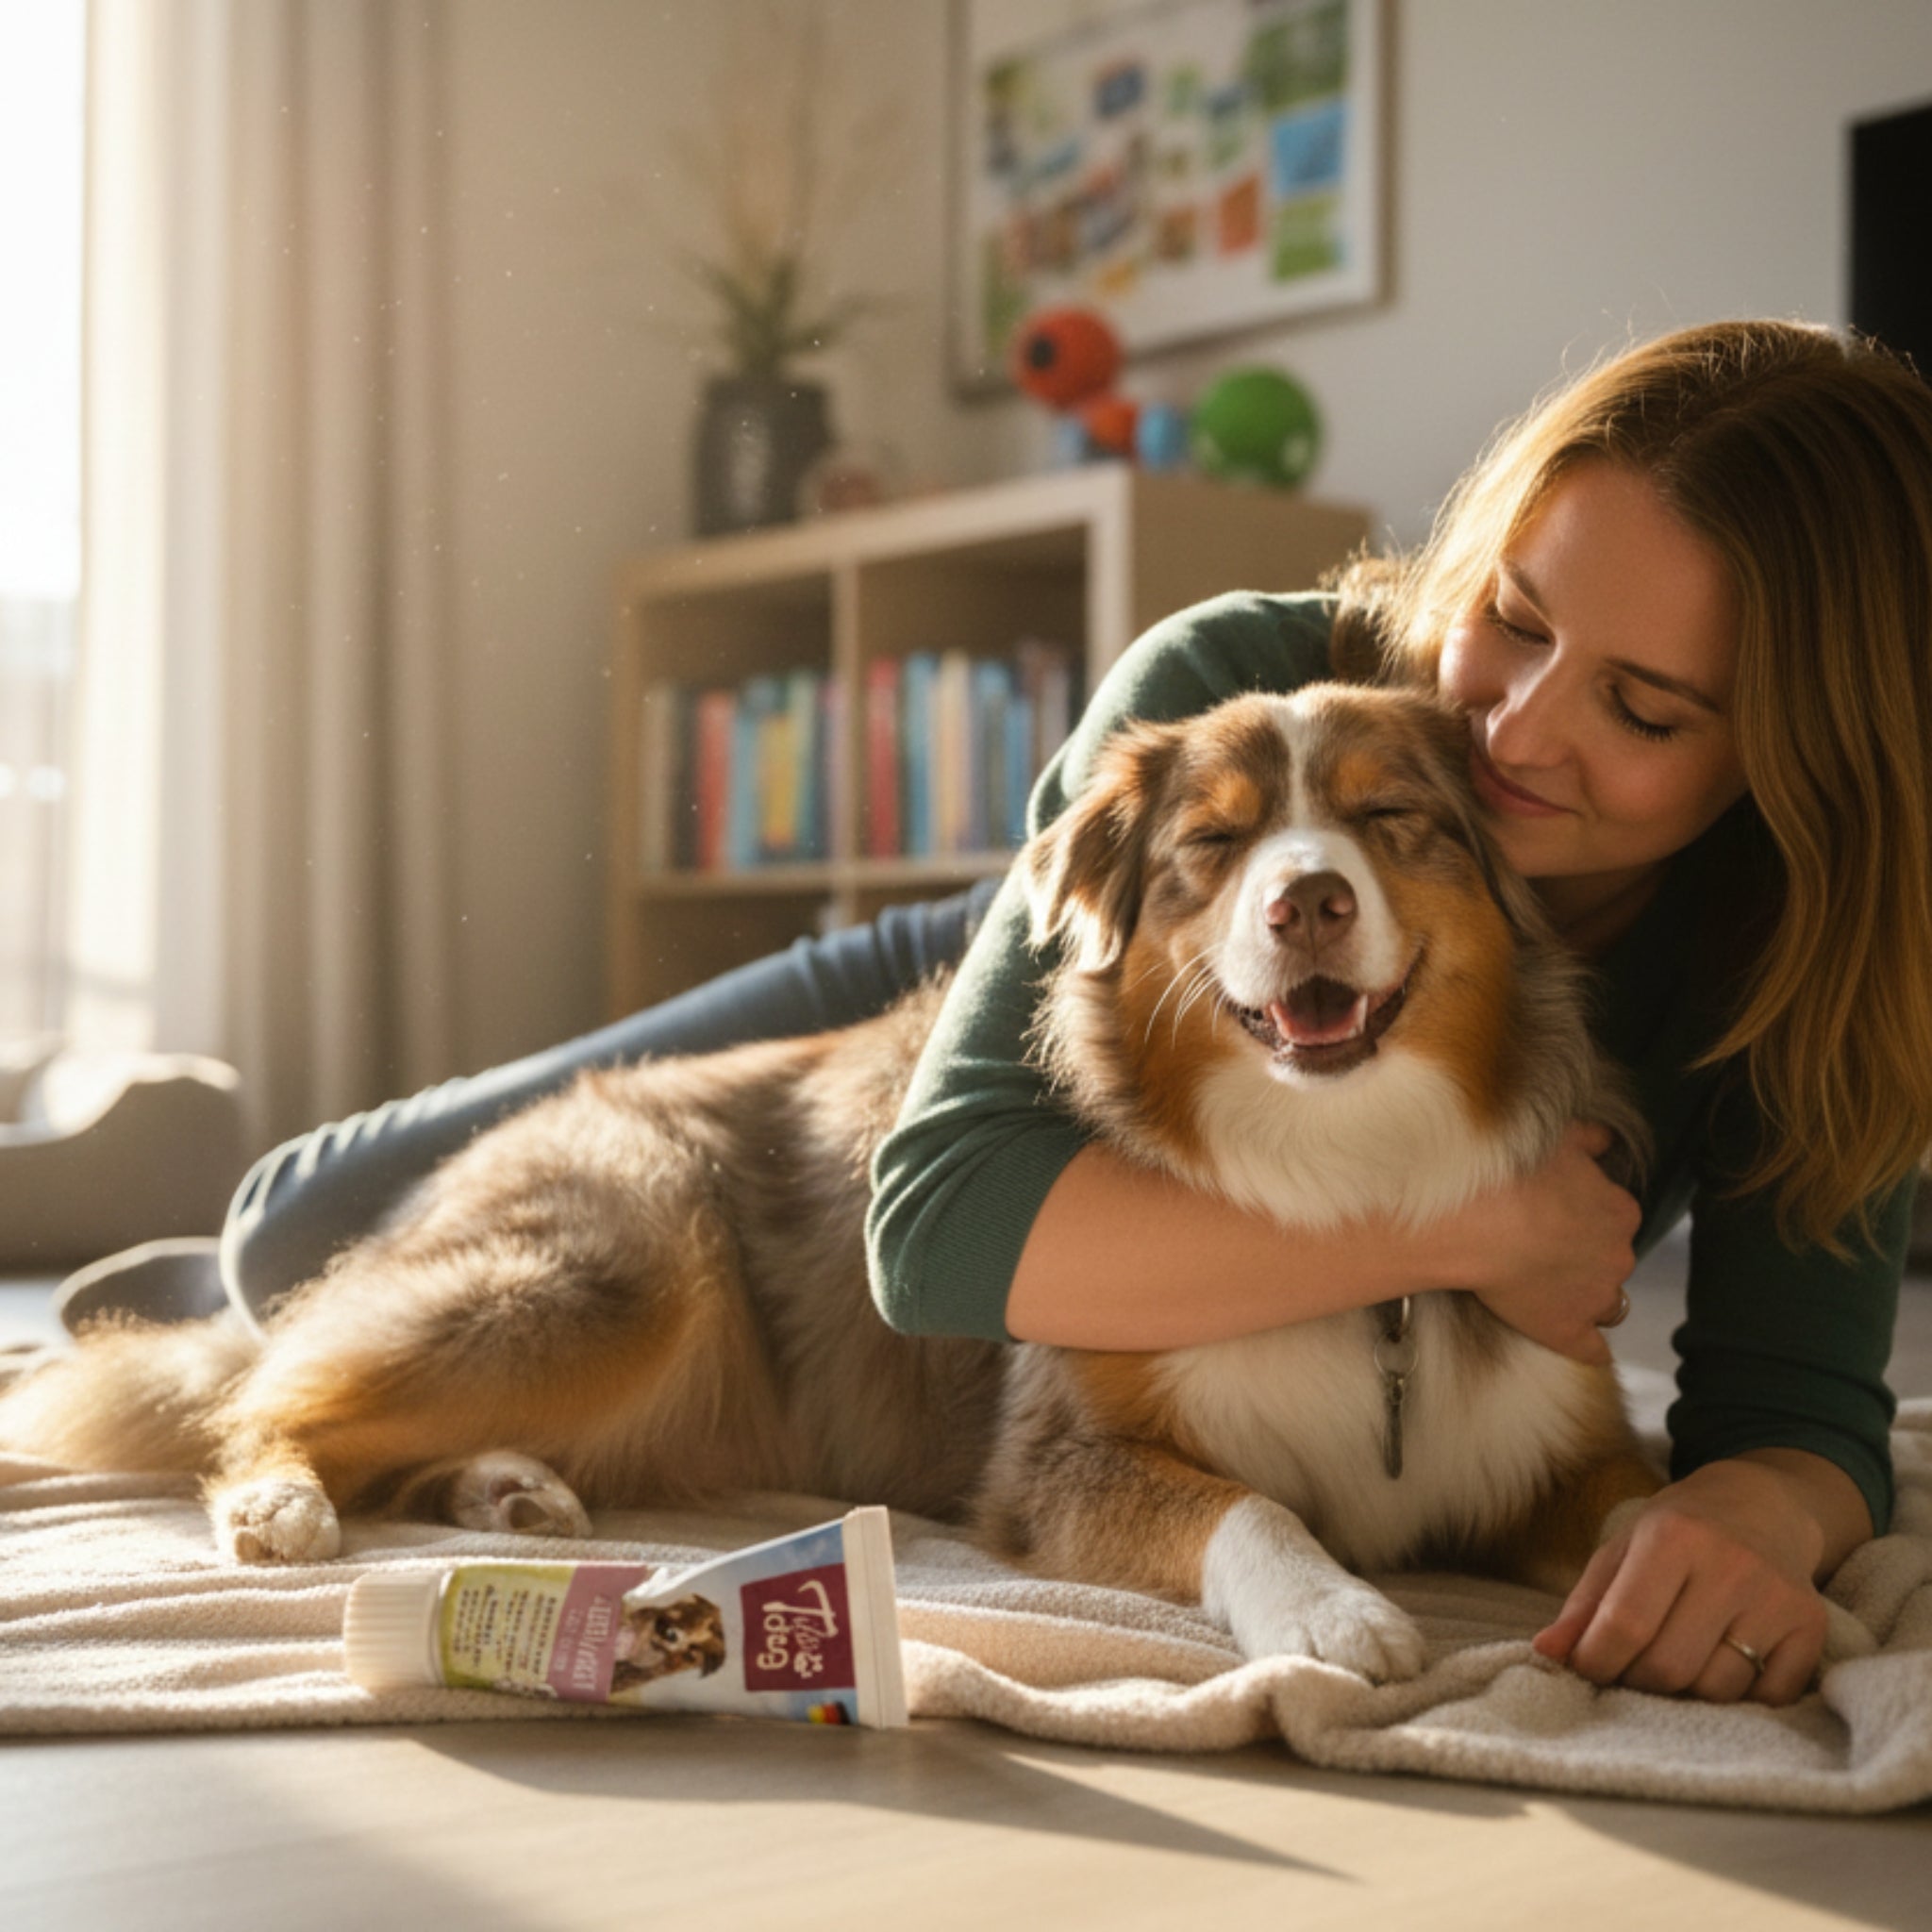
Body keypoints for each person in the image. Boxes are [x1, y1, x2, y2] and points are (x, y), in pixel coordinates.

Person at [60, 318, 1932, 1710]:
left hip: (1284, 1053)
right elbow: (942, 1226)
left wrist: (1758, 1519)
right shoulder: (1249, 677)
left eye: (1645, 709)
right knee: (304, 1238)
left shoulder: (1822, 960)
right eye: (1511, 617)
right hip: (1039, 967)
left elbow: (1797, 1414)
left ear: (1798, 753)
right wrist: (1461, 1228)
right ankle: (224, 1233)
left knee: (409, 1307)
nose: (1508, 730)